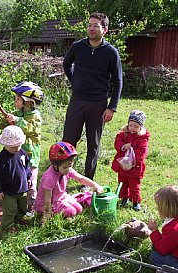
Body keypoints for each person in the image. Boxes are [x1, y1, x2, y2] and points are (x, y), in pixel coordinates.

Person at [62, 12, 123, 192]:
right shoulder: (78, 47)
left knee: (93, 145)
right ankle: (62, 177)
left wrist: (112, 107)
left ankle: (87, 183)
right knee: (68, 141)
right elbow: (67, 64)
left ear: (105, 29)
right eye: (89, 25)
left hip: (98, 103)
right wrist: (75, 82)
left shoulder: (111, 52)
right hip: (77, 101)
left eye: (96, 25)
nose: (91, 28)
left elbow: (118, 81)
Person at [0, 81, 43, 217]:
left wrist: (17, 120)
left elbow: (31, 129)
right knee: (17, 179)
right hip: (16, 154)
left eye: (18, 99)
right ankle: (15, 203)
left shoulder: (35, 116)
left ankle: (31, 208)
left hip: (30, 157)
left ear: (29, 102)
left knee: (31, 183)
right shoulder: (17, 113)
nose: (15, 101)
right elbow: (3, 120)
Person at [33, 141, 104, 223]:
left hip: (61, 197)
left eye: (70, 166)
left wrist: (95, 185)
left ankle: (64, 215)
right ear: (55, 165)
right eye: (65, 167)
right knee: (72, 211)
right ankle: (54, 216)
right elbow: (47, 199)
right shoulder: (49, 177)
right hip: (48, 203)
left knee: (79, 208)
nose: (68, 169)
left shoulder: (67, 170)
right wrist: (47, 214)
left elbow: (80, 179)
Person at [0, 125, 31, 232]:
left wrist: (28, 177)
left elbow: (26, 167)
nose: (16, 148)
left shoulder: (22, 153)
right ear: (5, 144)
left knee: (22, 206)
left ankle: (19, 220)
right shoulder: (1, 159)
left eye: (18, 145)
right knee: (10, 209)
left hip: (22, 189)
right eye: (13, 146)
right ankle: (8, 225)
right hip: (9, 191)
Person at [111, 110, 150, 211]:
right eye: (131, 125)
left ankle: (135, 201)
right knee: (122, 182)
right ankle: (124, 198)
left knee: (134, 185)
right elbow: (117, 143)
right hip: (122, 165)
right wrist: (123, 147)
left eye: (136, 126)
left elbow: (142, 152)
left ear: (141, 127)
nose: (132, 128)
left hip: (134, 166)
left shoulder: (142, 139)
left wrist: (133, 161)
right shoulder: (123, 134)